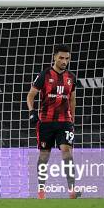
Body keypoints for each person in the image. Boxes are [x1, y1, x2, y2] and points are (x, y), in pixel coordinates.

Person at [27, 44, 78, 199]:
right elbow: (30, 96)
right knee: (44, 155)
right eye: (61, 58)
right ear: (55, 57)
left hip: (64, 121)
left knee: (66, 152)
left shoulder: (71, 77)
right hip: (46, 122)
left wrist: (72, 120)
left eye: (67, 58)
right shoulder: (44, 75)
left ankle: (72, 190)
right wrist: (32, 112)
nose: (64, 61)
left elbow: (73, 100)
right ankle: (41, 190)